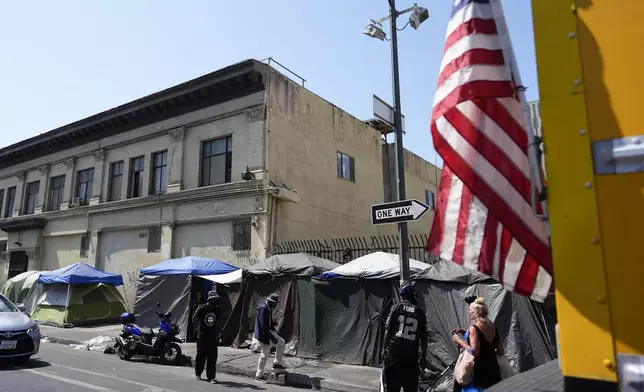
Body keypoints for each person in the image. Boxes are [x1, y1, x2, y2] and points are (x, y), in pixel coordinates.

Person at [381, 284, 429, 392]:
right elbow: (424, 337)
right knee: (410, 388)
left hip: (394, 354)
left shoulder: (396, 308)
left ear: (403, 295)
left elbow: (388, 331)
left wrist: (384, 348)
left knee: (392, 388)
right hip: (411, 358)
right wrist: (423, 357)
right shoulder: (420, 313)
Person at [452, 297, 503, 391]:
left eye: (470, 310)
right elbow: (500, 351)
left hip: (478, 372)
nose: (469, 312)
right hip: (493, 370)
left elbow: (474, 352)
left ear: (476, 312)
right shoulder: (493, 327)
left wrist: (459, 341)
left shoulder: (474, 328)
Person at [253, 293, 287, 383]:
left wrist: (272, 323)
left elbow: (267, 321)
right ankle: (258, 375)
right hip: (263, 334)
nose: (276, 305)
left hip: (268, 331)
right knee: (264, 355)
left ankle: (276, 363)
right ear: (271, 302)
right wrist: (272, 338)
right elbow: (263, 326)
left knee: (282, 342)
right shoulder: (263, 309)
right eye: (275, 303)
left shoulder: (268, 307)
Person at [192, 290, 221, 384]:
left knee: (212, 357)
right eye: (215, 299)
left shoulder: (217, 309)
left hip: (212, 336)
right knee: (201, 356)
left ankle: (211, 377)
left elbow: (218, 321)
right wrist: (198, 310)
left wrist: (219, 333)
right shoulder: (202, 308)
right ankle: (198, 373)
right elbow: (194, 319)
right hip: (202, 335)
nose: (216, 301)